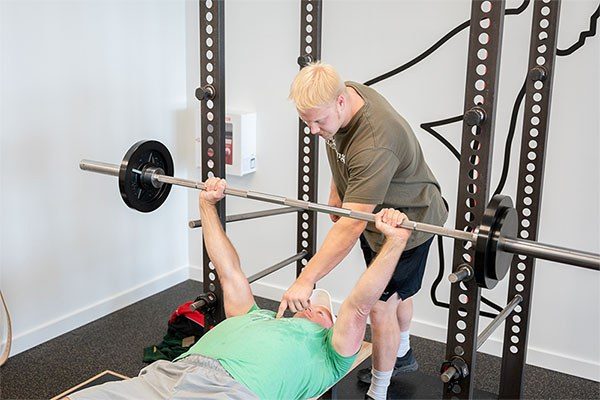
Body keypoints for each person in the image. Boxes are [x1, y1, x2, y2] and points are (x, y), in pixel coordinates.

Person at [67, 177, 413, 400]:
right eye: (310, 304)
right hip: (167, 375)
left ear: (331, 326)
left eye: (322, 311)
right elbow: (229, 270)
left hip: (231, 391)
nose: (310, 307)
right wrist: (206, 204)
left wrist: (395, 242)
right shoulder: (252, 316)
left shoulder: (331, 354)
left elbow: (357, 306)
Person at [282, 62, 448, 399]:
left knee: (380, 306)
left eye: (318, 121)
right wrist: (337, 192)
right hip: (380, 220)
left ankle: (379, 390)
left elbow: (350, 226)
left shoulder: (374, 141)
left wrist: (306, 279)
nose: (313, 130)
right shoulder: (343, 98)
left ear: (341, 102)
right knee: (399, 294)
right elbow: (341, 149)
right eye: (306, 121)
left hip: (408, 224)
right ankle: (401, 353)